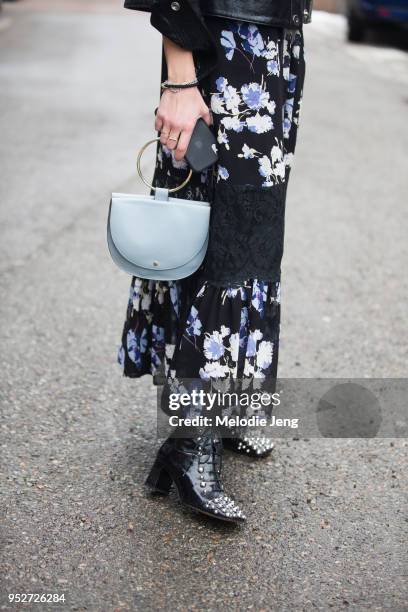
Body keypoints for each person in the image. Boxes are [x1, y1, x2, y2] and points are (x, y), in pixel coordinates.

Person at [118, 0, 312, 523]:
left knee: (250, 237)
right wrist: (179, 81)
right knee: (220, 242)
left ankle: (217, 407)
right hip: (222, 52)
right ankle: (188, 443)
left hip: (273, 50)